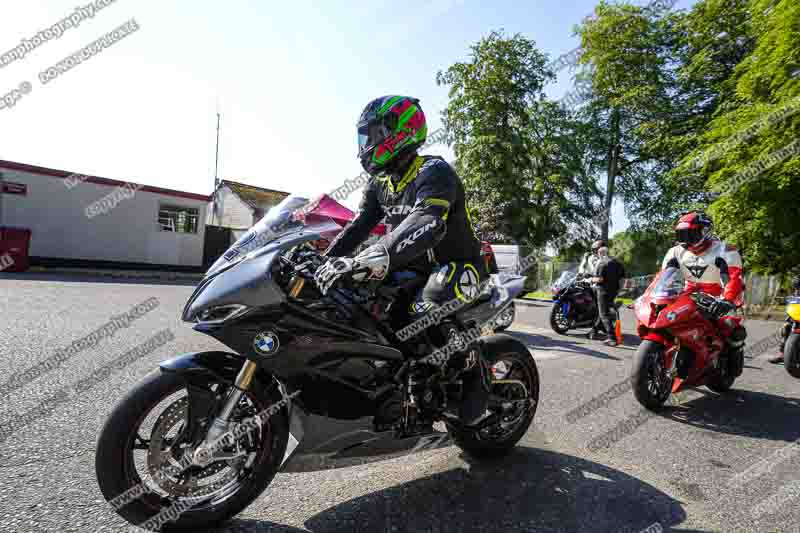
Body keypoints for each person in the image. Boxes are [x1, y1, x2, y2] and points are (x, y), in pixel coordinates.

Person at [313, 95, 488, 425]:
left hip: (457, 267)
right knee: (365, 305)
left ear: (398, 132)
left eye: (371, 135)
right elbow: (358, 226)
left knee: (427, 307)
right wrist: (327, 260)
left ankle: (472, 364)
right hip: (410, 266)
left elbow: (427, 221)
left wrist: (371, 257)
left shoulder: (434, 171)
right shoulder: (379, 183)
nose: (364, 145)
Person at [660, 211, 746, 376]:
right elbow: (662, 277)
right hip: (687, 293)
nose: (685, 239)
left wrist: (727, 300)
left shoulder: (724, 249)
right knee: (666, 319)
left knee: (730, 327)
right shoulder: (675, 251)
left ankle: (732, 356)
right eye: (681, 234)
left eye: (690, 234)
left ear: (705, 231)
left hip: (717, 294)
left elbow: (733, 278)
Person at [587, 246, 625, 346]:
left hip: (602, 291)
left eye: (598, 254)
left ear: (601, 253)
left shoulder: (603, 263)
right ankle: (594, 332)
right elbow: (622, 280)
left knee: (604, 314)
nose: (598, 256)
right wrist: (619, 290)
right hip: (614, 291)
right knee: (603, 311)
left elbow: (600, 279)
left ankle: (612, 338)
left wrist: (590, 280)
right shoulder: (618, 263)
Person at [769, 273, 800, 364]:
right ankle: (783, 354)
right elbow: (793, 306)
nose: (797, 291)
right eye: (797, 288)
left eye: (798, 288)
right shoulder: (796, 295)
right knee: (786, 327)